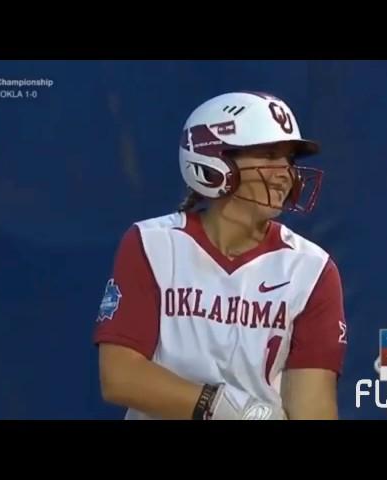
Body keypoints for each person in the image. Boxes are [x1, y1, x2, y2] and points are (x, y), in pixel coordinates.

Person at [93, 91, 348, 420]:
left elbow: (311, 407)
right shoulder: (152, 244)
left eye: (289, 159)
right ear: (213, 162)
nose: (285, 172)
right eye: (269, 155)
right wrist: (225, 408)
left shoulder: (312, 269)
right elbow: (120, 377)